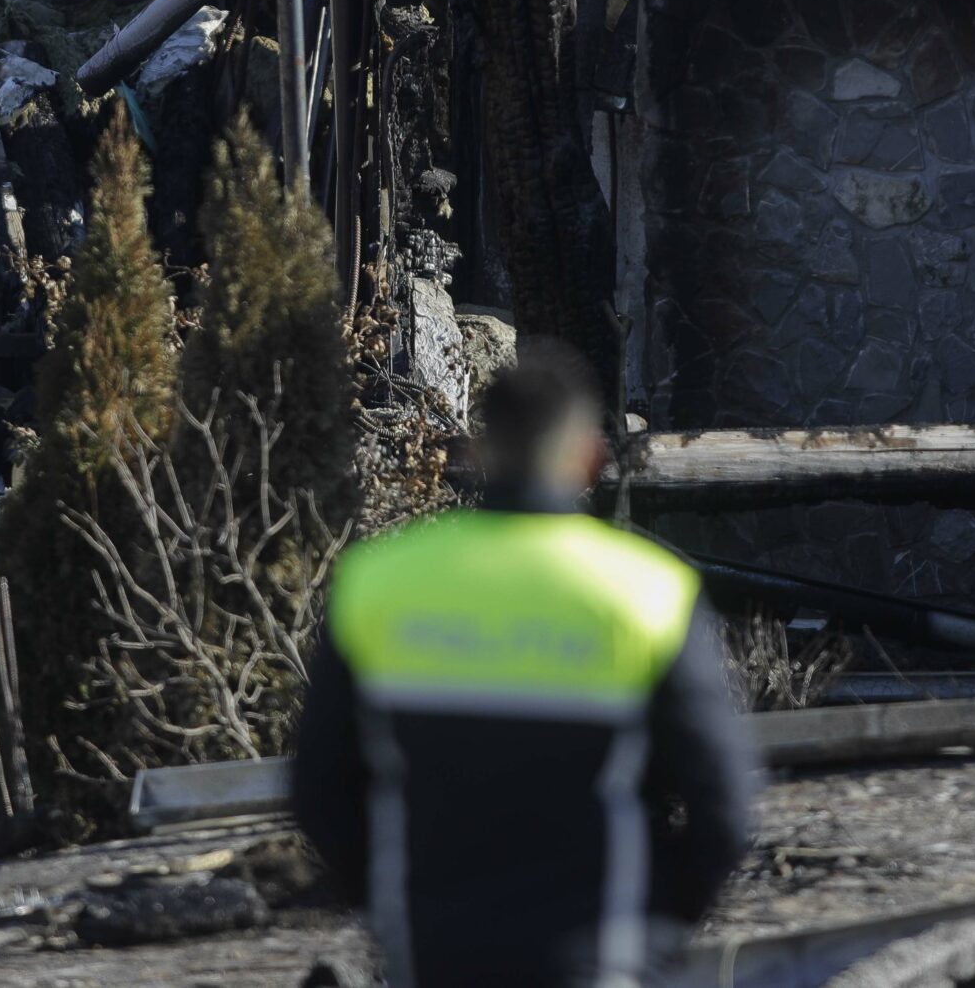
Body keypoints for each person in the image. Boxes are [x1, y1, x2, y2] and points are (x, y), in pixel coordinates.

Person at [292, 341, 754, 988]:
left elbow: (318, 789)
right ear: (589, 457)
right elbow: (724, 810)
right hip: (595, 955)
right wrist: (653, 924)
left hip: (434, 953)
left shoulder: (378, 581)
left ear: (480, 451)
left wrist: (390, 906)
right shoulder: (648, 592)